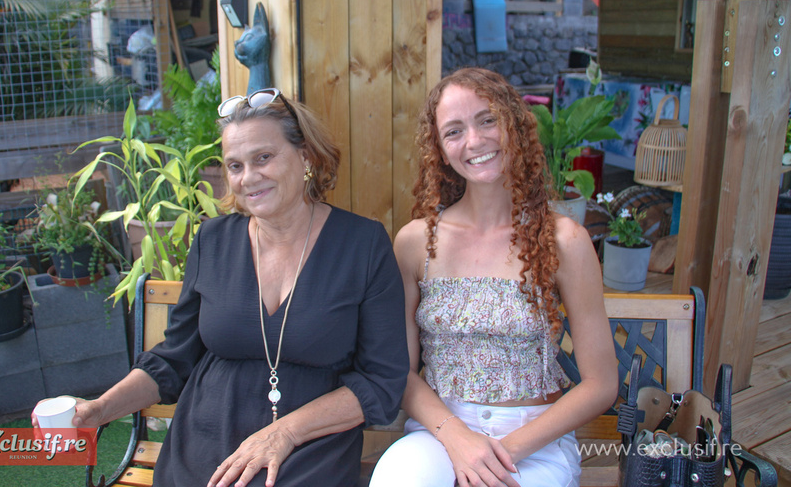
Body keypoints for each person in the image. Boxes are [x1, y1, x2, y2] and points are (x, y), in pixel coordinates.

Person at [33, 88, 409, 487]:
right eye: (235, 165)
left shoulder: (363, 244)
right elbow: (172, 360)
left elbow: (382, 381)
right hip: (204, 445)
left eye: (263, 158)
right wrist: (99, 409)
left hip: (308, 448)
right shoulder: (212, 240)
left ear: (305, 156)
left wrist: (283, 433)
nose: (248, 178)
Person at [369, 68, 618, 487]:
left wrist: (503, 453)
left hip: (534, 438)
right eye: (454, 131)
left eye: (487, 120)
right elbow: (401, 371)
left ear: (514, 124)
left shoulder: (565, 241)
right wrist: (458, 438)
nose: (474, 140)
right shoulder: (416, 243)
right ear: (440, 149)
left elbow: (601, 383)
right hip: (441, 434)